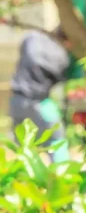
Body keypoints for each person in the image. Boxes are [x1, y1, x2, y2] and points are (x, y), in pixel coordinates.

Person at [9, 25, 75, 162]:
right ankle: (62, 172)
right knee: (57, 140)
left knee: (23, 145)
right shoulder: (61, 56)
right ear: (68, 41)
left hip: (17, 99)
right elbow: (61, 79)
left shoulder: (32, 38)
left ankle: (23, 173)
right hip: (40, 102)